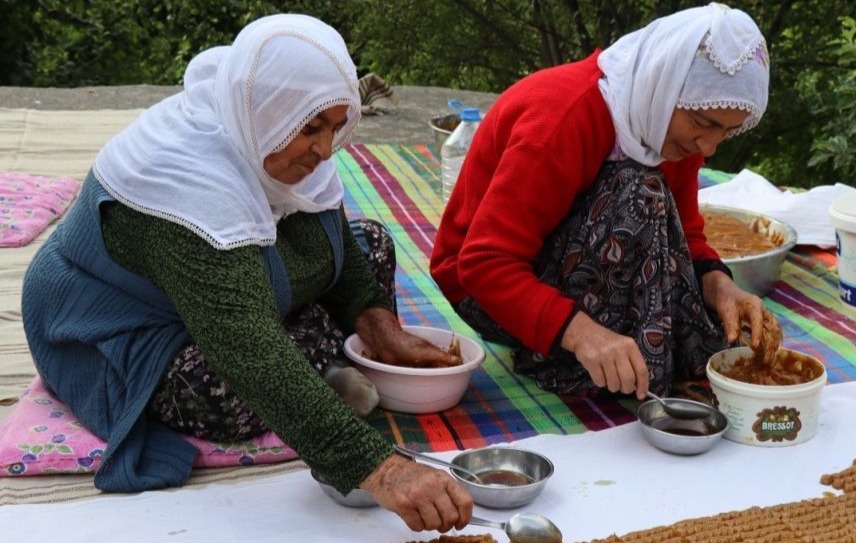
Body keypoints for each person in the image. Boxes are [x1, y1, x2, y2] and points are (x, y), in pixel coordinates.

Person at [21, 14, 472, 534]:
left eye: (335, 126)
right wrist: (380, 468)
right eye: (310, 130)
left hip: (218, 290)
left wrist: (379, 327)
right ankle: (309, 376)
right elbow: (244, 344)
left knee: (370, 245)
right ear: (271, 114)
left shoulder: (266, 123)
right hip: (118, 328)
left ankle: (312, 366)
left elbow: (333, 231)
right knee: (225, 393)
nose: (326, 150)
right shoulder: (183, 182)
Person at [430, 3, 782, 401]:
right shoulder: (562, 118)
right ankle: (571, 352)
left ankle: (624, 345)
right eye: (704, 123)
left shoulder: (667, 129)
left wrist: (719, 286)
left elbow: (682, 231)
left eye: (727, 132)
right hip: (486, 293)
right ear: (664, 85)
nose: (710, 146)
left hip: (560, 263)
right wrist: (582, 334)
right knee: (636, 190)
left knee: (648, 198)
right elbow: (483, 264)